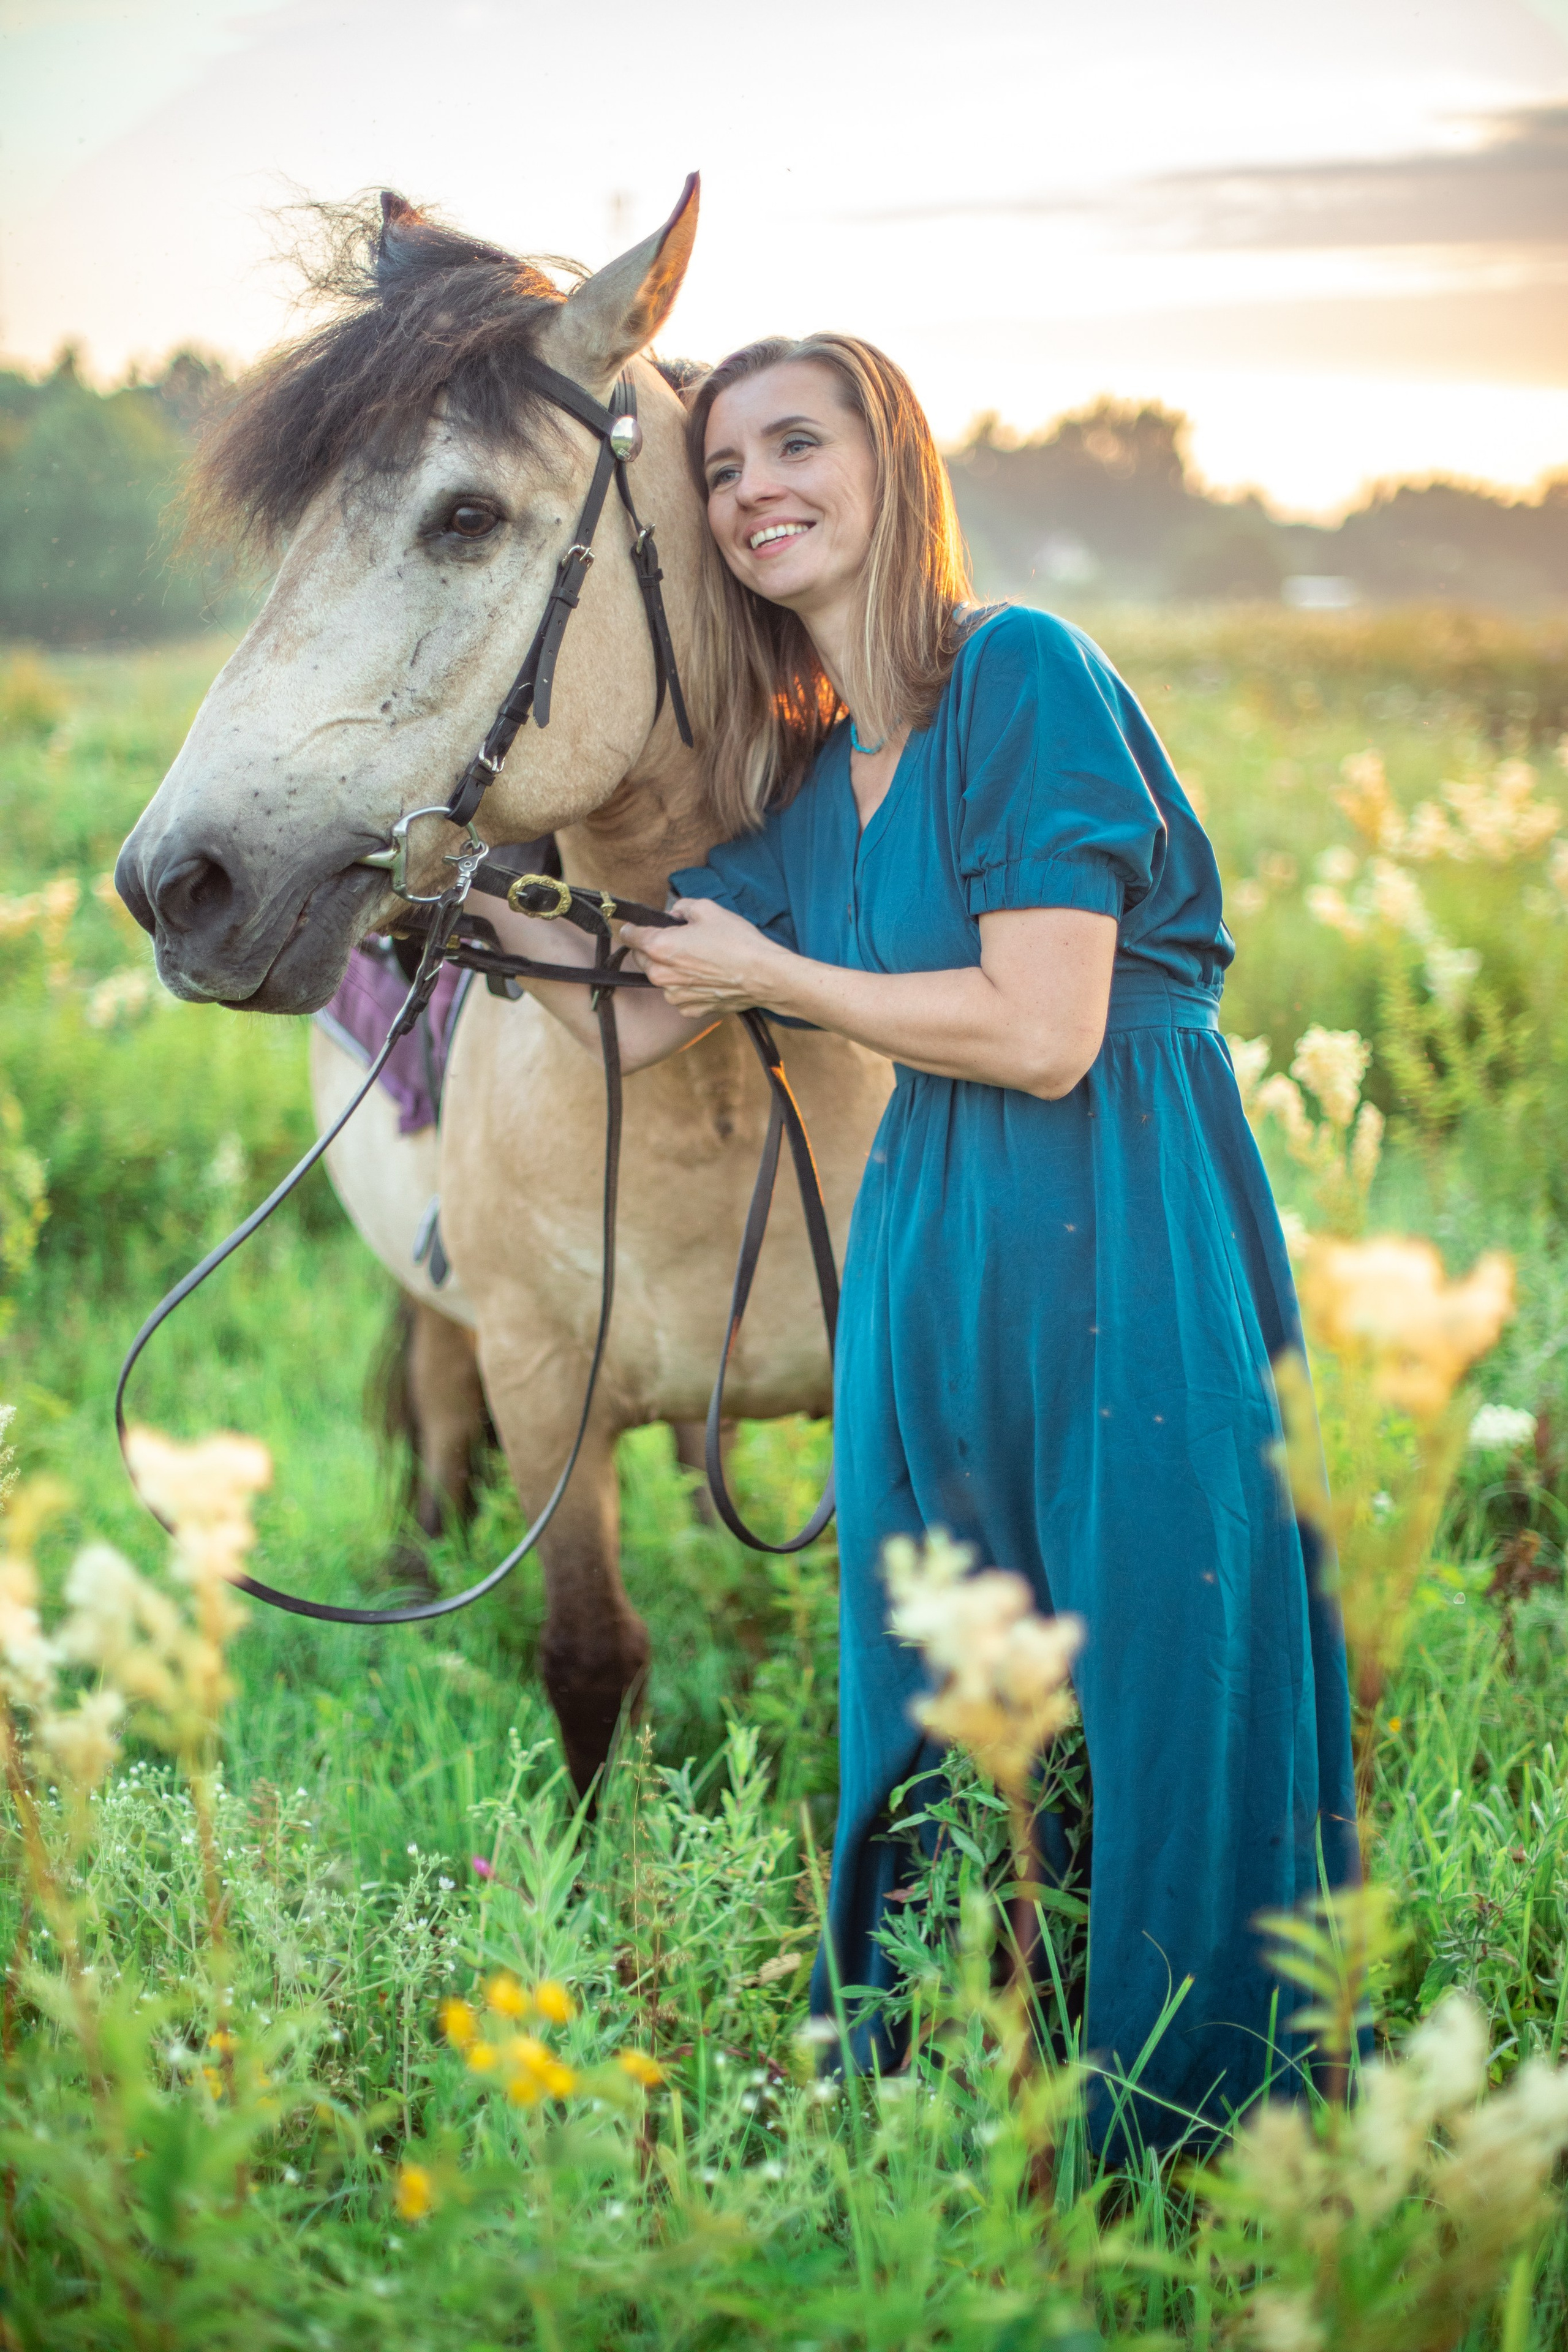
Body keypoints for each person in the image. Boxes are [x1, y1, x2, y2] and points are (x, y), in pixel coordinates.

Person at [492, 331, 1358, 2150]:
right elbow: (637, 1006)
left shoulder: (1021, 674)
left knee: (1161, 1661)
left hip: (1117, 1213)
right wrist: (439, 902)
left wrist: (775, 975)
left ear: (893, 463)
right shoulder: (819, 788)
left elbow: (1047, 1028)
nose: (750, 496)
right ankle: (921, 2086)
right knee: (923, 1675)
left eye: (793, 446)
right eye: (721, 470)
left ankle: (1191, 2130)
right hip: (932, 1240)